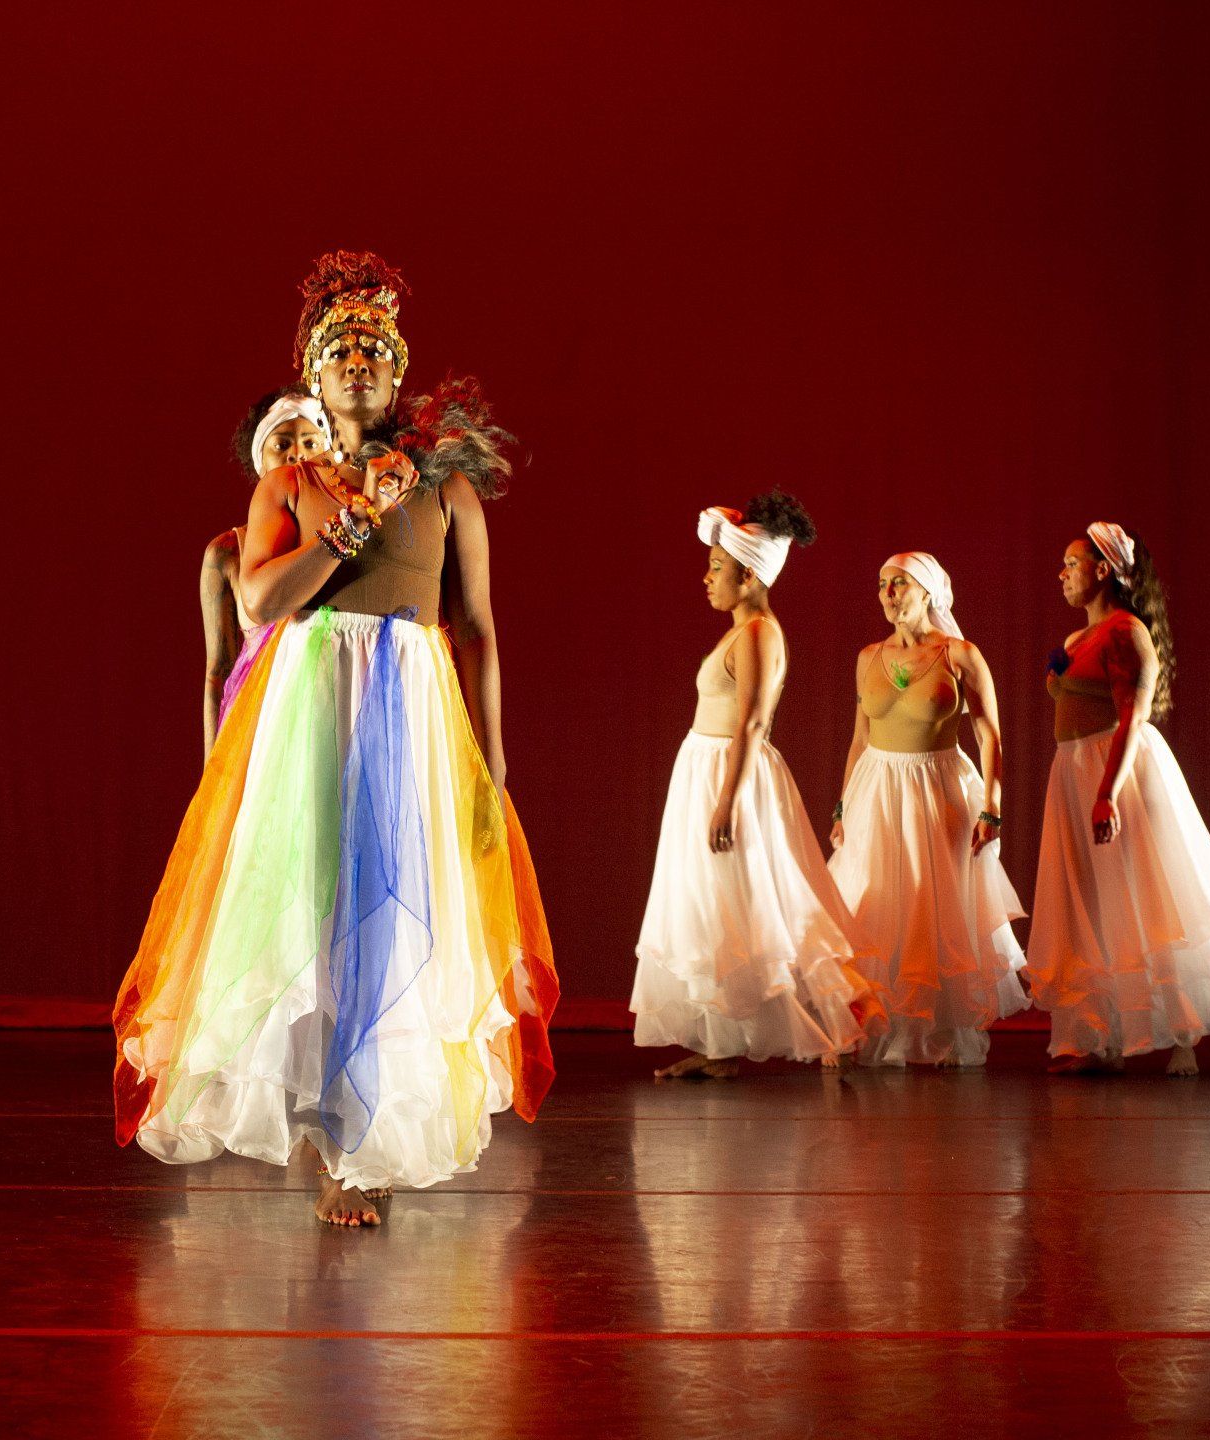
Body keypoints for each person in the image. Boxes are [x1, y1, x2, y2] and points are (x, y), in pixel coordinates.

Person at [115, 252, 558, 1226]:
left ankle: (369, 1136)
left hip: (413, 704)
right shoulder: (291, 481)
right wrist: (348, 528)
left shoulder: (445, 489)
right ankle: (326, 1139)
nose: (356, 357)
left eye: (373, 346)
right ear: (312, 375)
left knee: (397, 912)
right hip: (313, 700)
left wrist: (492, 758)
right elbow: (262, 597)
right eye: (337, 346)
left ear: (396, 374)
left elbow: (476, 627)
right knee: (314, 911)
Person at [632, 494, 881, 1077]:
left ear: (748, 576)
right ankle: (722, 1045)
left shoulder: (759, 634)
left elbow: (752, 720)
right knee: (720, 908)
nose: (707, 578)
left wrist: (728, 799)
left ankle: (832, 1026)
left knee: (767, 904)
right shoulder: (739, 631)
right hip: (709, 770)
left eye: (717, 570)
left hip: (731, 776)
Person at [1026, 523, 1210, 1075]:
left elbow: (1133, 716)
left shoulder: (1127, 632)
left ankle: (1182, 1031)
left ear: (1103, 570)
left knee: (1144, 894)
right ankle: (1101, 1034)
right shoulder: (1074, 640)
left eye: (1072, 563)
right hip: (1072, 770)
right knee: (1090, 900)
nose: (1061, 574)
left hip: (1118, 769)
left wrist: (1108, 792)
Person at [826, 553, 1027, 1066]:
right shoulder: (868, 656)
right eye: (882, 584)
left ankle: (933, 1035)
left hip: (937, 791)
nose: (889, 593)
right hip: (877, 791)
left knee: (926, 913)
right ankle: (869, 1029)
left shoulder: (959, 654)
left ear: (929, 593)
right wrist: (842, 805)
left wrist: (993, 807)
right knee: (872, 907)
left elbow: (990, 734)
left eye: (900, 584)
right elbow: (858, 738)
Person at [200, 390, 329, 760]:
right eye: (282, 444)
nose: (297, 454)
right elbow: (218, 671)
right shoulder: (227, 552)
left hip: (326, 721)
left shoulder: (343, 542)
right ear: (260, 460)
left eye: (310, 441)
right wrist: (213, 768)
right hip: (258, 734)